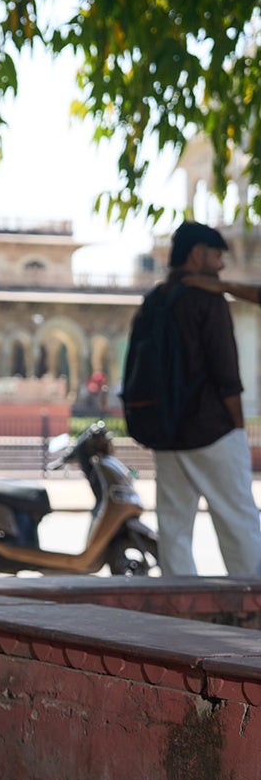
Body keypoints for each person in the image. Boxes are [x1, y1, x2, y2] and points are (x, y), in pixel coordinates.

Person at [142, 221, 261, 576]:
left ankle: (180, 613)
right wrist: (236, 426)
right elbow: (226, 371)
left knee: (174, 529)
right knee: (238, 521)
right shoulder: (206, 299)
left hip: (167, 431)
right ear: (197, 254)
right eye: (217, 255)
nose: (222, 264)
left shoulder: (155, 298)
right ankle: (251, 610)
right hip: (212, 430)